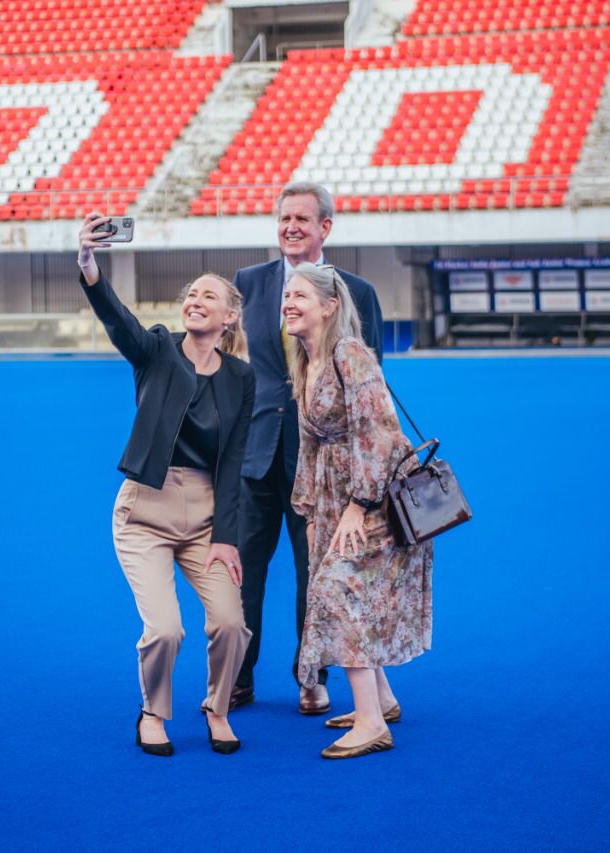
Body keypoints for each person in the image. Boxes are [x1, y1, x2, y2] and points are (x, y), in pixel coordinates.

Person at [77, 212, 255, 757]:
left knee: (231, 624)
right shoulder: (155, 350)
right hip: (145, 512)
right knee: (167, 630)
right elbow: (117, 320)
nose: (195, 300)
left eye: (208, 296)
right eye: (191, 294)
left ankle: (218, 709)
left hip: (206, 518)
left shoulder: (241, 377)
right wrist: (89, 264)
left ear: (229, 316)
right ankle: (152, 712)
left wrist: (227, 537)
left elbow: (234, 461)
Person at [231, 182, 384, 716]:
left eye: (302, 218)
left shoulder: (357, 292)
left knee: (315, 575)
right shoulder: (247, 283)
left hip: (322, 464)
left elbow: (370, 386)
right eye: (284, 218)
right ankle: (237, 677)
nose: (291, 227)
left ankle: (311, 677)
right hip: (254, 454)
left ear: (325, 227)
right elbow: (230, 365)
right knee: (242, 573)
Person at [284, 261, 432, 759]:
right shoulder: (305, 360)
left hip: (373, 497)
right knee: (345, 593)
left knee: (338, 593)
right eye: (287, 296)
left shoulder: (351, 353)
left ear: (329, 306)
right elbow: (308, 444)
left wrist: (360, 504)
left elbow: (379, 434)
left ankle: (371, 723)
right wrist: (309, 512)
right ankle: (382, 700)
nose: (288, 304)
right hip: (331, 497)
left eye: (300, 296)